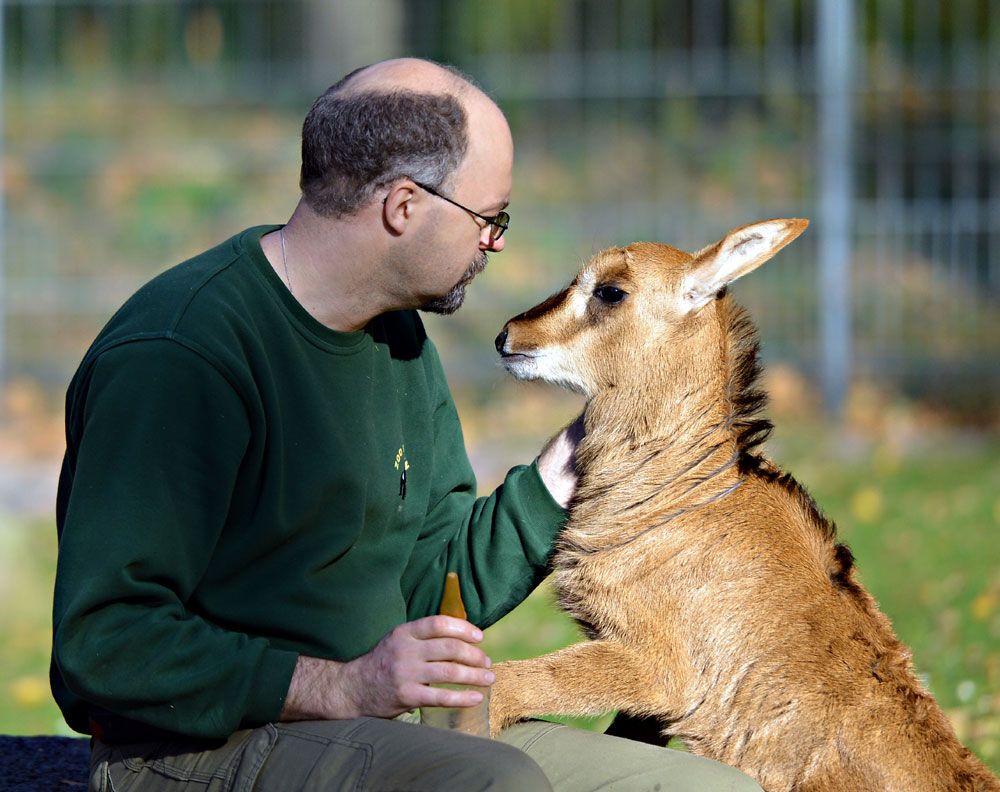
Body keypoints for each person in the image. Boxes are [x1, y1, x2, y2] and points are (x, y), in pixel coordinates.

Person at [53, 58, 762, 791]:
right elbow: (106, 643)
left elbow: (433, 581)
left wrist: (563, 474)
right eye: (490, 219)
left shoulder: (394, 336)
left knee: (707, 788)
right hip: (195, 749)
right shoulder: (181, 357)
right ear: (402, 206)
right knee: (496, 783)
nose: (497, 245)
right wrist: (345, 686)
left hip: (373, 726)